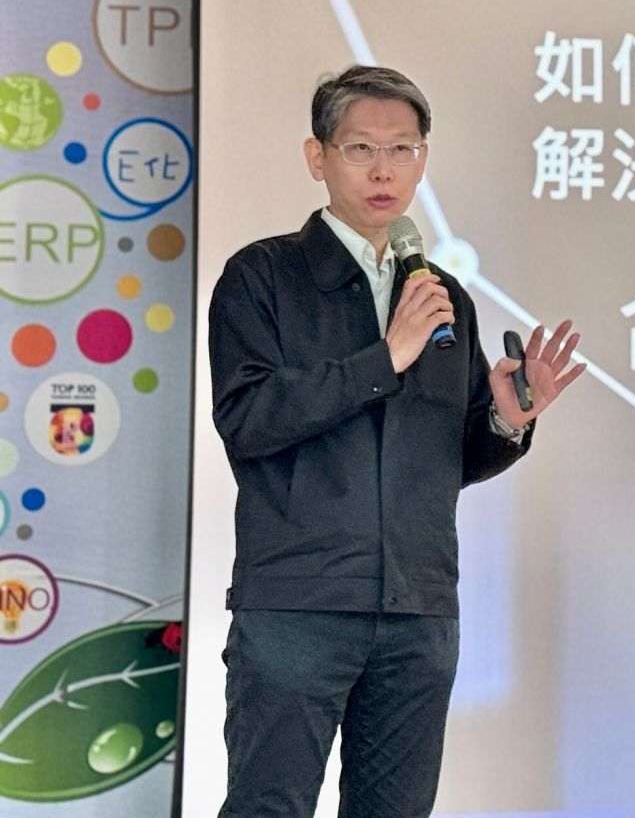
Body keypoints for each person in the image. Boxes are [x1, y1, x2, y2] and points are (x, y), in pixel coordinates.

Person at [208, 65, 584, 817]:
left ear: (422, 160)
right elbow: (248, 418)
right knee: (267, 807)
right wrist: (386, 357)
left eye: (403, 150)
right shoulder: (262, 276)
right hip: (299, 604)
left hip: (417, 609)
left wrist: (507, 418)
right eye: (360, 149)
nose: (384, 170)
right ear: (318, 158)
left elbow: (452, 460)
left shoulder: (442, 298)